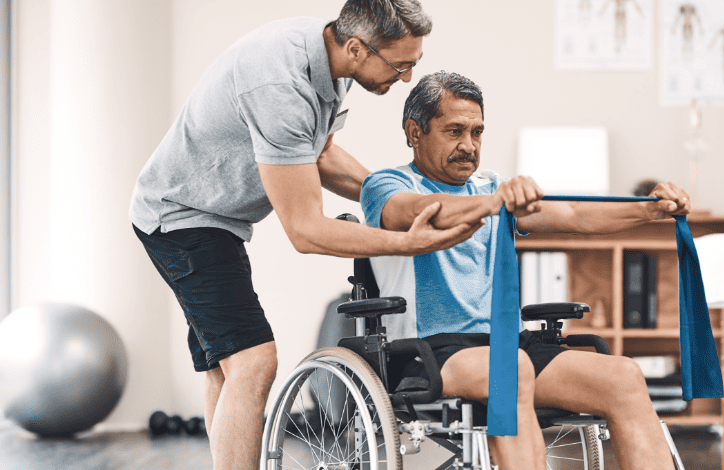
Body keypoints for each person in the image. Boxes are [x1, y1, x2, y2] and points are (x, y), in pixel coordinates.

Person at [129, 2, 482, 469]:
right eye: (400, 65)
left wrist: (394, 198)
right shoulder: (279, 83)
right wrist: (407, 242)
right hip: (183, 217)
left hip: (217, 218)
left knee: (228, 370)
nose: (405, 78)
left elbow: (318, 153)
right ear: (357, 48)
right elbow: (306, 230)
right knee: (254, 364)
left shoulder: (325, 58)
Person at [360, 71, 690, 470]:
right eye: (454, 131)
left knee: (623, 376)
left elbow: (572, 212)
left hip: (506, 344)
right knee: (510, 369)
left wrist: (650, 210)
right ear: (415, 131)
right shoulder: (386, 184)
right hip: (428, 352)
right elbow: (417, 214)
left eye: (477, 132)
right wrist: (492, 203)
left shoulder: (490, 186)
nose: (469, 146)